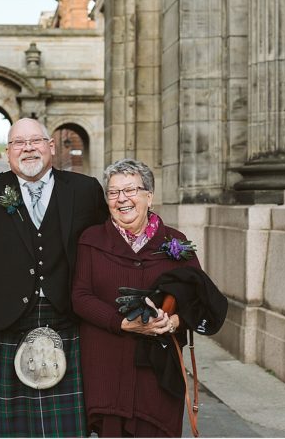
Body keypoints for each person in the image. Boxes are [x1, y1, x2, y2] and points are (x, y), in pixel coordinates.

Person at [0, 118, 108, 437]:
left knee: (67, 429)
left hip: (68, 319)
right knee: (10, 430)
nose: (28, 148)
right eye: (18, 143)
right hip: (8, 322)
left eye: (35, 141)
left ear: (51, 147)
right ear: (8, 151)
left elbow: (103, 253)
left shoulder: (84, 190)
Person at [71, 158, 201, 437]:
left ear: (149, 195)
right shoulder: (91, 240)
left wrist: (174, 322)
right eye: (114, 192)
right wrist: (121, 323)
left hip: (158, 373)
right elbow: (80, 296)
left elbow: (198, 300)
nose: (122, 199)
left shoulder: (176, 242)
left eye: (130, 190)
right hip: (107, 368)